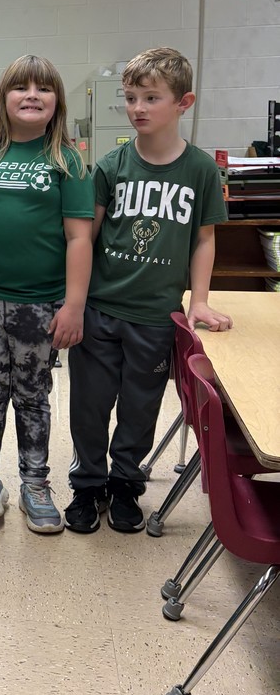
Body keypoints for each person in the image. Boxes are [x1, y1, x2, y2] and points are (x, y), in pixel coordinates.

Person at [66, 46, 232, 534]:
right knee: (90, 405)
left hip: (156, 315)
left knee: (141, 407)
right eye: (131, 97)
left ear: (184, 102)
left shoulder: (201, 169)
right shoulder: (111, 166)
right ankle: (88, 484)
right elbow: (85, 238)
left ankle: (124, 485)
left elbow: (204, 238)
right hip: (100, 310)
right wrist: (72, 301)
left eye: (151, 97)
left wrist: (197, 298)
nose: (138, 107)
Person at [0, 56, 95, 534]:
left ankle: (35, 483)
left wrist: (73, 303)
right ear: (3, 98)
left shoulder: (66, 160)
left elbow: (80, 238)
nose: (32, 94)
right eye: (21, 87)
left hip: (41, 304)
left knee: (33, 396)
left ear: (57, 101)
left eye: (44, 88)